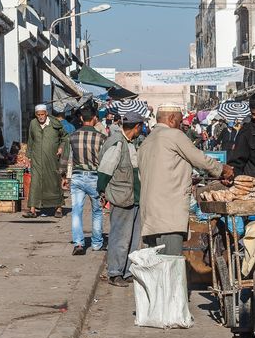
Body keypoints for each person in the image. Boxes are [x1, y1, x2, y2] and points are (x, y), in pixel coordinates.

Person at [138, 105, 235, 255]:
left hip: (150, 216)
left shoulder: (147, 141)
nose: (180, 125)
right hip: (168, 216)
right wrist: (223, 169)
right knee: (170, 266)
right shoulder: (173, 135)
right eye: (178, 120)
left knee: (157, 268)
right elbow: (199, 158)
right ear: (171, 119)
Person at [97, 111, 144, 286]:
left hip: (135, 197)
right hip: (121, 196)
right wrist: (101, 191)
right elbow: (104, 171)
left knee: (133, 237)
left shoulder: (131, 143)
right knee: (120, 237)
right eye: (141, 126)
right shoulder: (117, 143)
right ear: (137, 127)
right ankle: (115, 272)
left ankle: (127, 271)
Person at [62, 106, 106, 253]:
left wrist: (64, 176)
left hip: (77, 177)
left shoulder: (72, 136)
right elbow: (105, 162)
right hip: (95, 177)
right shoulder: (101, 138)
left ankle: (79, 244)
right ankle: (96, 244)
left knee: (76, 211)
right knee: (97, 211)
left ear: (81, 119)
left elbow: (66, 159)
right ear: (94, 118)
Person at [24, 104, 68, 218]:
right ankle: (33, 209)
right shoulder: (33, 124)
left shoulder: (55, 124)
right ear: (35, 115)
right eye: (38, 115)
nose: (40, 117)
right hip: (37, 159)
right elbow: (30, 140)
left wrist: (61, 147)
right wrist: (27, 156)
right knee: (35, 183)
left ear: (46, 113)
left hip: (52, 159)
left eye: (42, 114)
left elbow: (65, 137)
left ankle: (58, 208)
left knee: (54, 182)